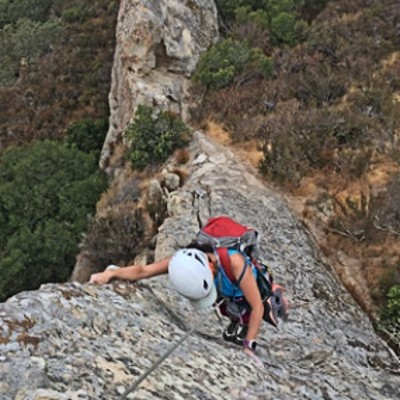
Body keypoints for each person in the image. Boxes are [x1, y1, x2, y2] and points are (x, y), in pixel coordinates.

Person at [90, 241, 288, 360]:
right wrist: (112, 274)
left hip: (246, 285)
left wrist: (249, 345)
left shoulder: (234, 262)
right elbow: (144, 271)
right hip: (227, 289)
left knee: (254, 307)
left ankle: (274, 292)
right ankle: (238, 319)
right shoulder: (182, 261)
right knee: (230, 310)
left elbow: (256, 307)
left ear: (210, 267)